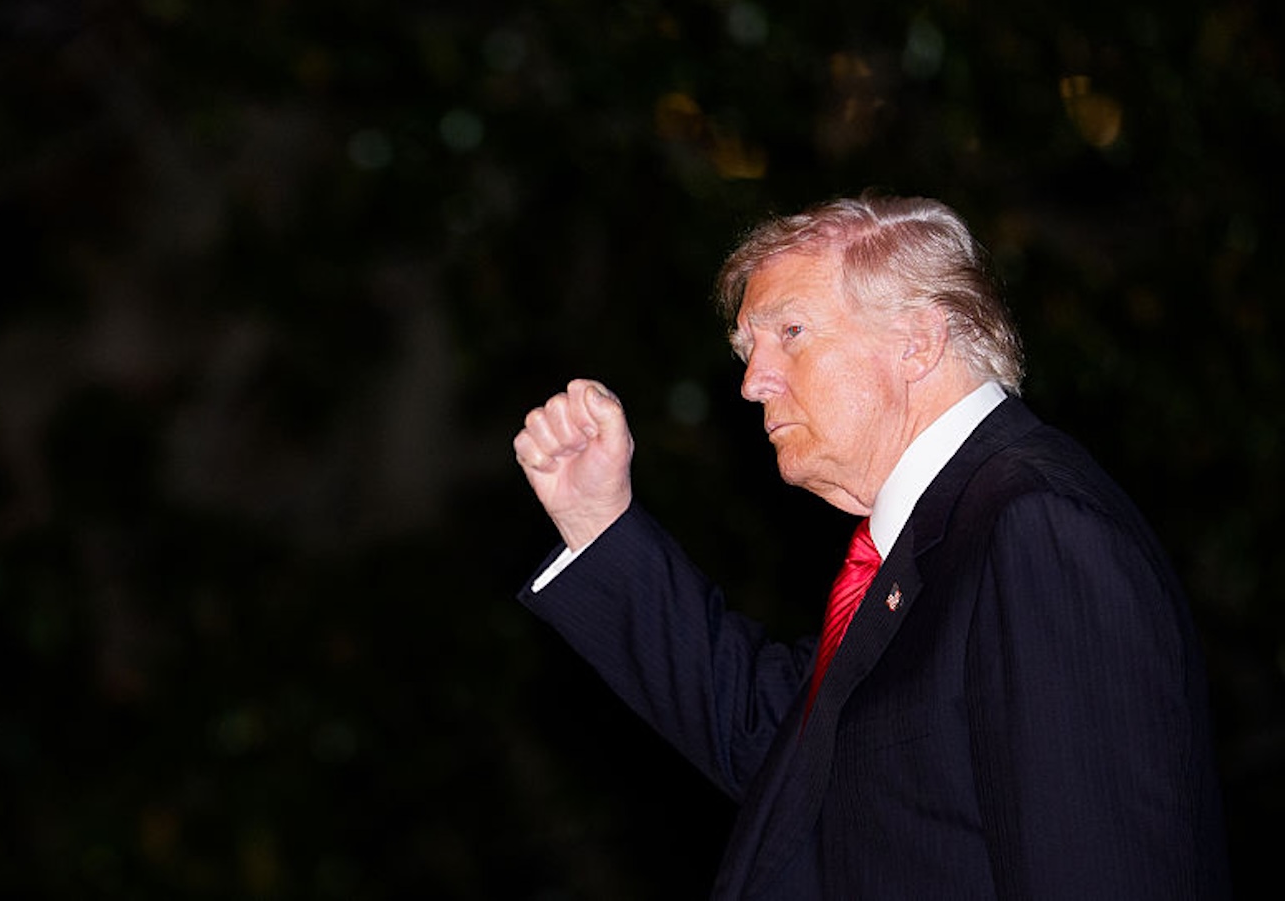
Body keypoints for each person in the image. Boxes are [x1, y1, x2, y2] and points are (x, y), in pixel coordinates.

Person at [513, 192, 1229, 899]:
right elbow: (773, 743)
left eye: (789, 333)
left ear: (918, 341)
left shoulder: (1035, 526)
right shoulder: (935, 545)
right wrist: (596, 519)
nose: (752, 382)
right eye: (747, 349)